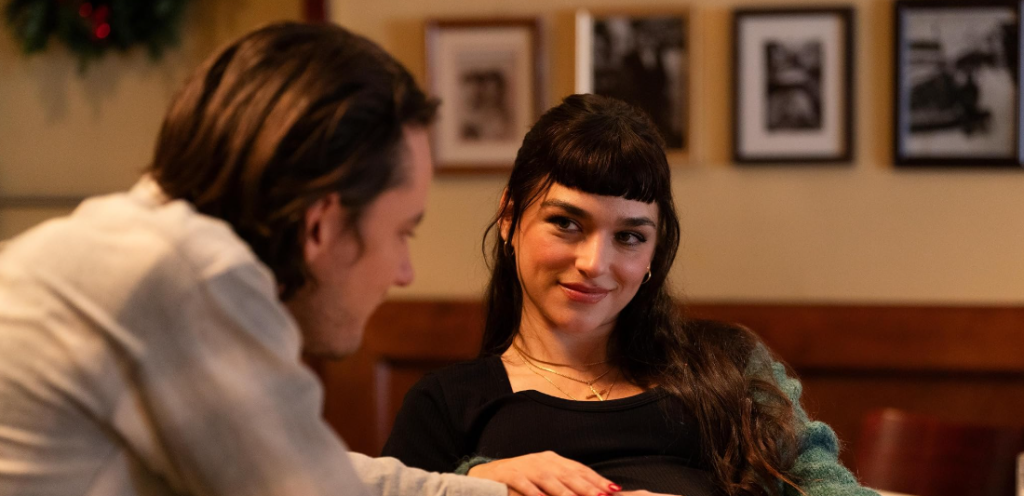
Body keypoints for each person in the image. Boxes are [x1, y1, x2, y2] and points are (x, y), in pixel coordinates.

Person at [0, 22, 618, 496]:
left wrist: (491, 488)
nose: (404, 273)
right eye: (402, 233)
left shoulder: (147, 247)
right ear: (322, 224)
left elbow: (320, 472)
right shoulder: (187, 277)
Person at [381, 94, 879, 496]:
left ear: (654, 251)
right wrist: (467, 485)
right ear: (510, 218)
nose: (595, 264)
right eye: (566, 223)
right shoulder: (446, 404)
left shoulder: (729, 364)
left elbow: (828, 488)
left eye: (629, 236)